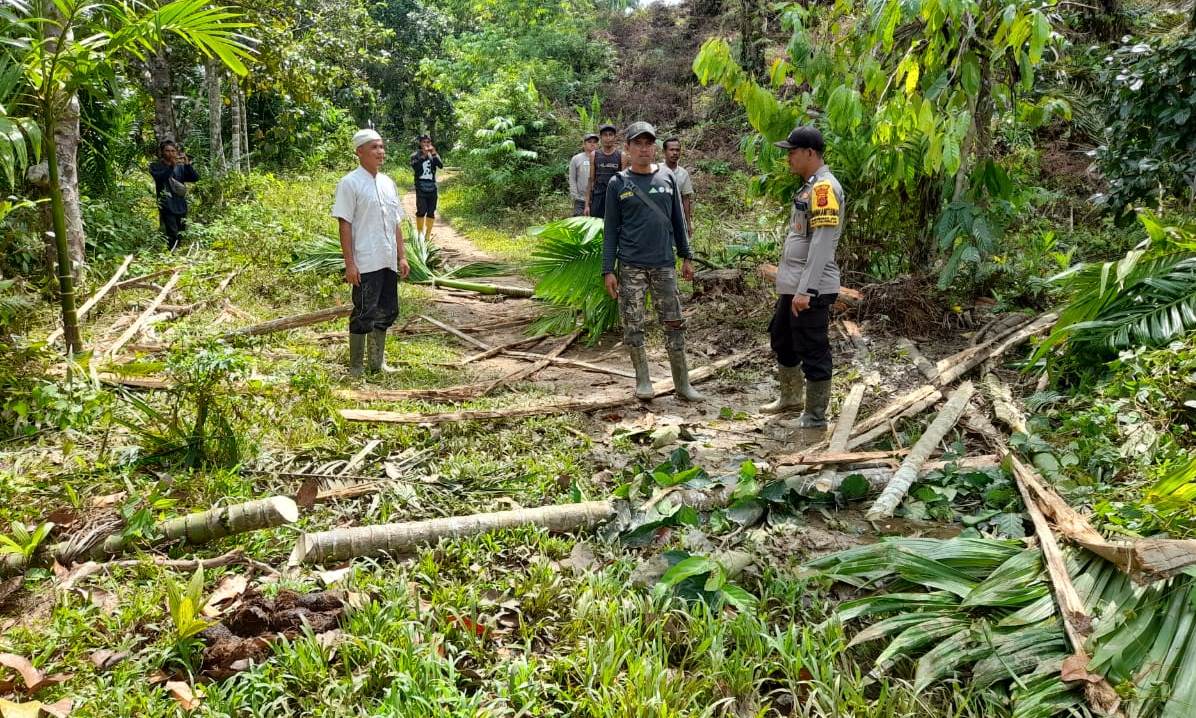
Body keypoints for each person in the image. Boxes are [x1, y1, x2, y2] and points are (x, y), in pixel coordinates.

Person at [602, 121, 703, 402]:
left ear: (654, 148)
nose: (644, 149)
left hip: (664, 264)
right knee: (633, 323)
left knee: (673, 322)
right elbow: (610, 229)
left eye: (649, 144)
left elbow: (678, 223)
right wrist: (608, 270)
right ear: (628, 148)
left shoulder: (667, 179)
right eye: (638, 144)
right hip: (632, 265)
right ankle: (643, 381)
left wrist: (687, 256)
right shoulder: (617, 184)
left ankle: (682, 383)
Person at [760, 126, 843, 428]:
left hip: (811, 286)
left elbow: (822, 243)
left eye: (792, 152)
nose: (788, 159)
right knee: (782, 336)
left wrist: (806, 289)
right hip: (794, 283)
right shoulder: (810, 186)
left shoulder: (823, 189)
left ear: (810, 153)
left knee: (812, 346)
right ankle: (791, 398)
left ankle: (815, 416)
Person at [332, 129, 411, 378]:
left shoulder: (388, 183)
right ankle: (356, 366)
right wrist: (350, 264)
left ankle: (377, 364)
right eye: (375, 147)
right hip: (366, 260)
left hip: (387, 258)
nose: (381, 152)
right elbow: (344, 224)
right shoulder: (350, 183)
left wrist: (402, 256)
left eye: (382, 147)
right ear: (359, 152)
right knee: (364, 311)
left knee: (388, 310)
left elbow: (396, 222)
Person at [148, 140, 199, 250]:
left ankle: (177, 251)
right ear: (162, 152)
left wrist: (187, 165)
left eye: (173, 151)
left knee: (181, 230)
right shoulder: (155, 166)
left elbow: (195, 178)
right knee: (171, 231)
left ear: (176, 152)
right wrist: (171, 166)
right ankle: (171, 252)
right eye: (167, 151)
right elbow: (160, 178)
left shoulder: (180, 167)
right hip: (166, 203)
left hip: (180, 203)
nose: (170, 153)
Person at [584, 124, 624, 219]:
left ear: (615, 137)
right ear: (601, 138)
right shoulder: (594, 155)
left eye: (611, 135)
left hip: (615, 198)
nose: (608, 138)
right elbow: (591, 180)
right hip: (598, 198)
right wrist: (586, 205)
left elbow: (624, 182)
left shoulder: (621, 155)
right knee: (596, 227)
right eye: (605, 135)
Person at [410, 134, 443, 241]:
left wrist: (433, 153)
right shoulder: (415, 155)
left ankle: (428, 235)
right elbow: (416, 167)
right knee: (421, 210)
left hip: (432, 186)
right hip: (420, 186)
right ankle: (420, 233)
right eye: (424, 142)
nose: (426, 144)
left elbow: (440, 165)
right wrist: (423, 156)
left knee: (431, 211)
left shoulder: (433, 154)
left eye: (428, 142)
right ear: (420, 143)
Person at [662, 137, 695, 238]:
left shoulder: (683, 174)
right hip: (659, 218)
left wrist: (688, 223)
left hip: (677, 219)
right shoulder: (656, 171)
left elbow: (686, 199)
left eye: (677, 150)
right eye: (671, 150)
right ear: (664, 152)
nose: (675, 153)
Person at [568, 132, 598, 216]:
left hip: (596, 199)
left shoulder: (601, 158)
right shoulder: (576, 159)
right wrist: (575, 195)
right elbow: (572, 178)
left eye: (595, 142)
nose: (592, 144)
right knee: (579, 224)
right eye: (589, 142)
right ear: (584, 144)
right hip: (580, 199)